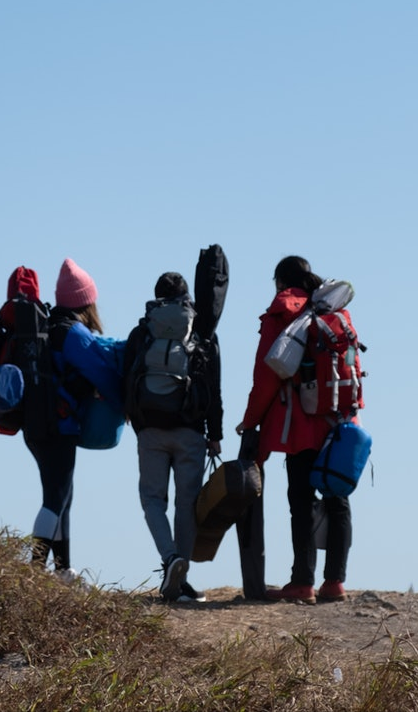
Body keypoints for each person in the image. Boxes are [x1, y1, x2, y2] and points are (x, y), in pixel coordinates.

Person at [235, 255, 353, 604]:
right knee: (337, 499)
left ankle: (303, 581)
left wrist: (250, 420)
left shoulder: (283, 310)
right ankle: (336, 582)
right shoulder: (335, 311)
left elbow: (266, 375)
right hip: (337, 421)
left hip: (299, 424)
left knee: (300, 501)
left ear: (280, 281)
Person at [23, 258, 125, 581]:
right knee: (56, 498)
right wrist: (127, 406)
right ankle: (35, 572)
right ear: (86, 301)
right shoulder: (73, 333)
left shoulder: (50, 326)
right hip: (60, 426)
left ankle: (62, 569)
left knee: (60, 495)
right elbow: (103, 374)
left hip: (35, 424)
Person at [124, 271, 221, 603]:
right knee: (186, 504)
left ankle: (170, 560)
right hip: (190, 429)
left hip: (150, 429)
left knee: (152, 500)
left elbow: (126, 378)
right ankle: (182, 578)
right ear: (187, 297)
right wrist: (215, 434)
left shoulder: (142, 332)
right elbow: (213, 385)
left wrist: (137, 423)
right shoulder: (201, 331)